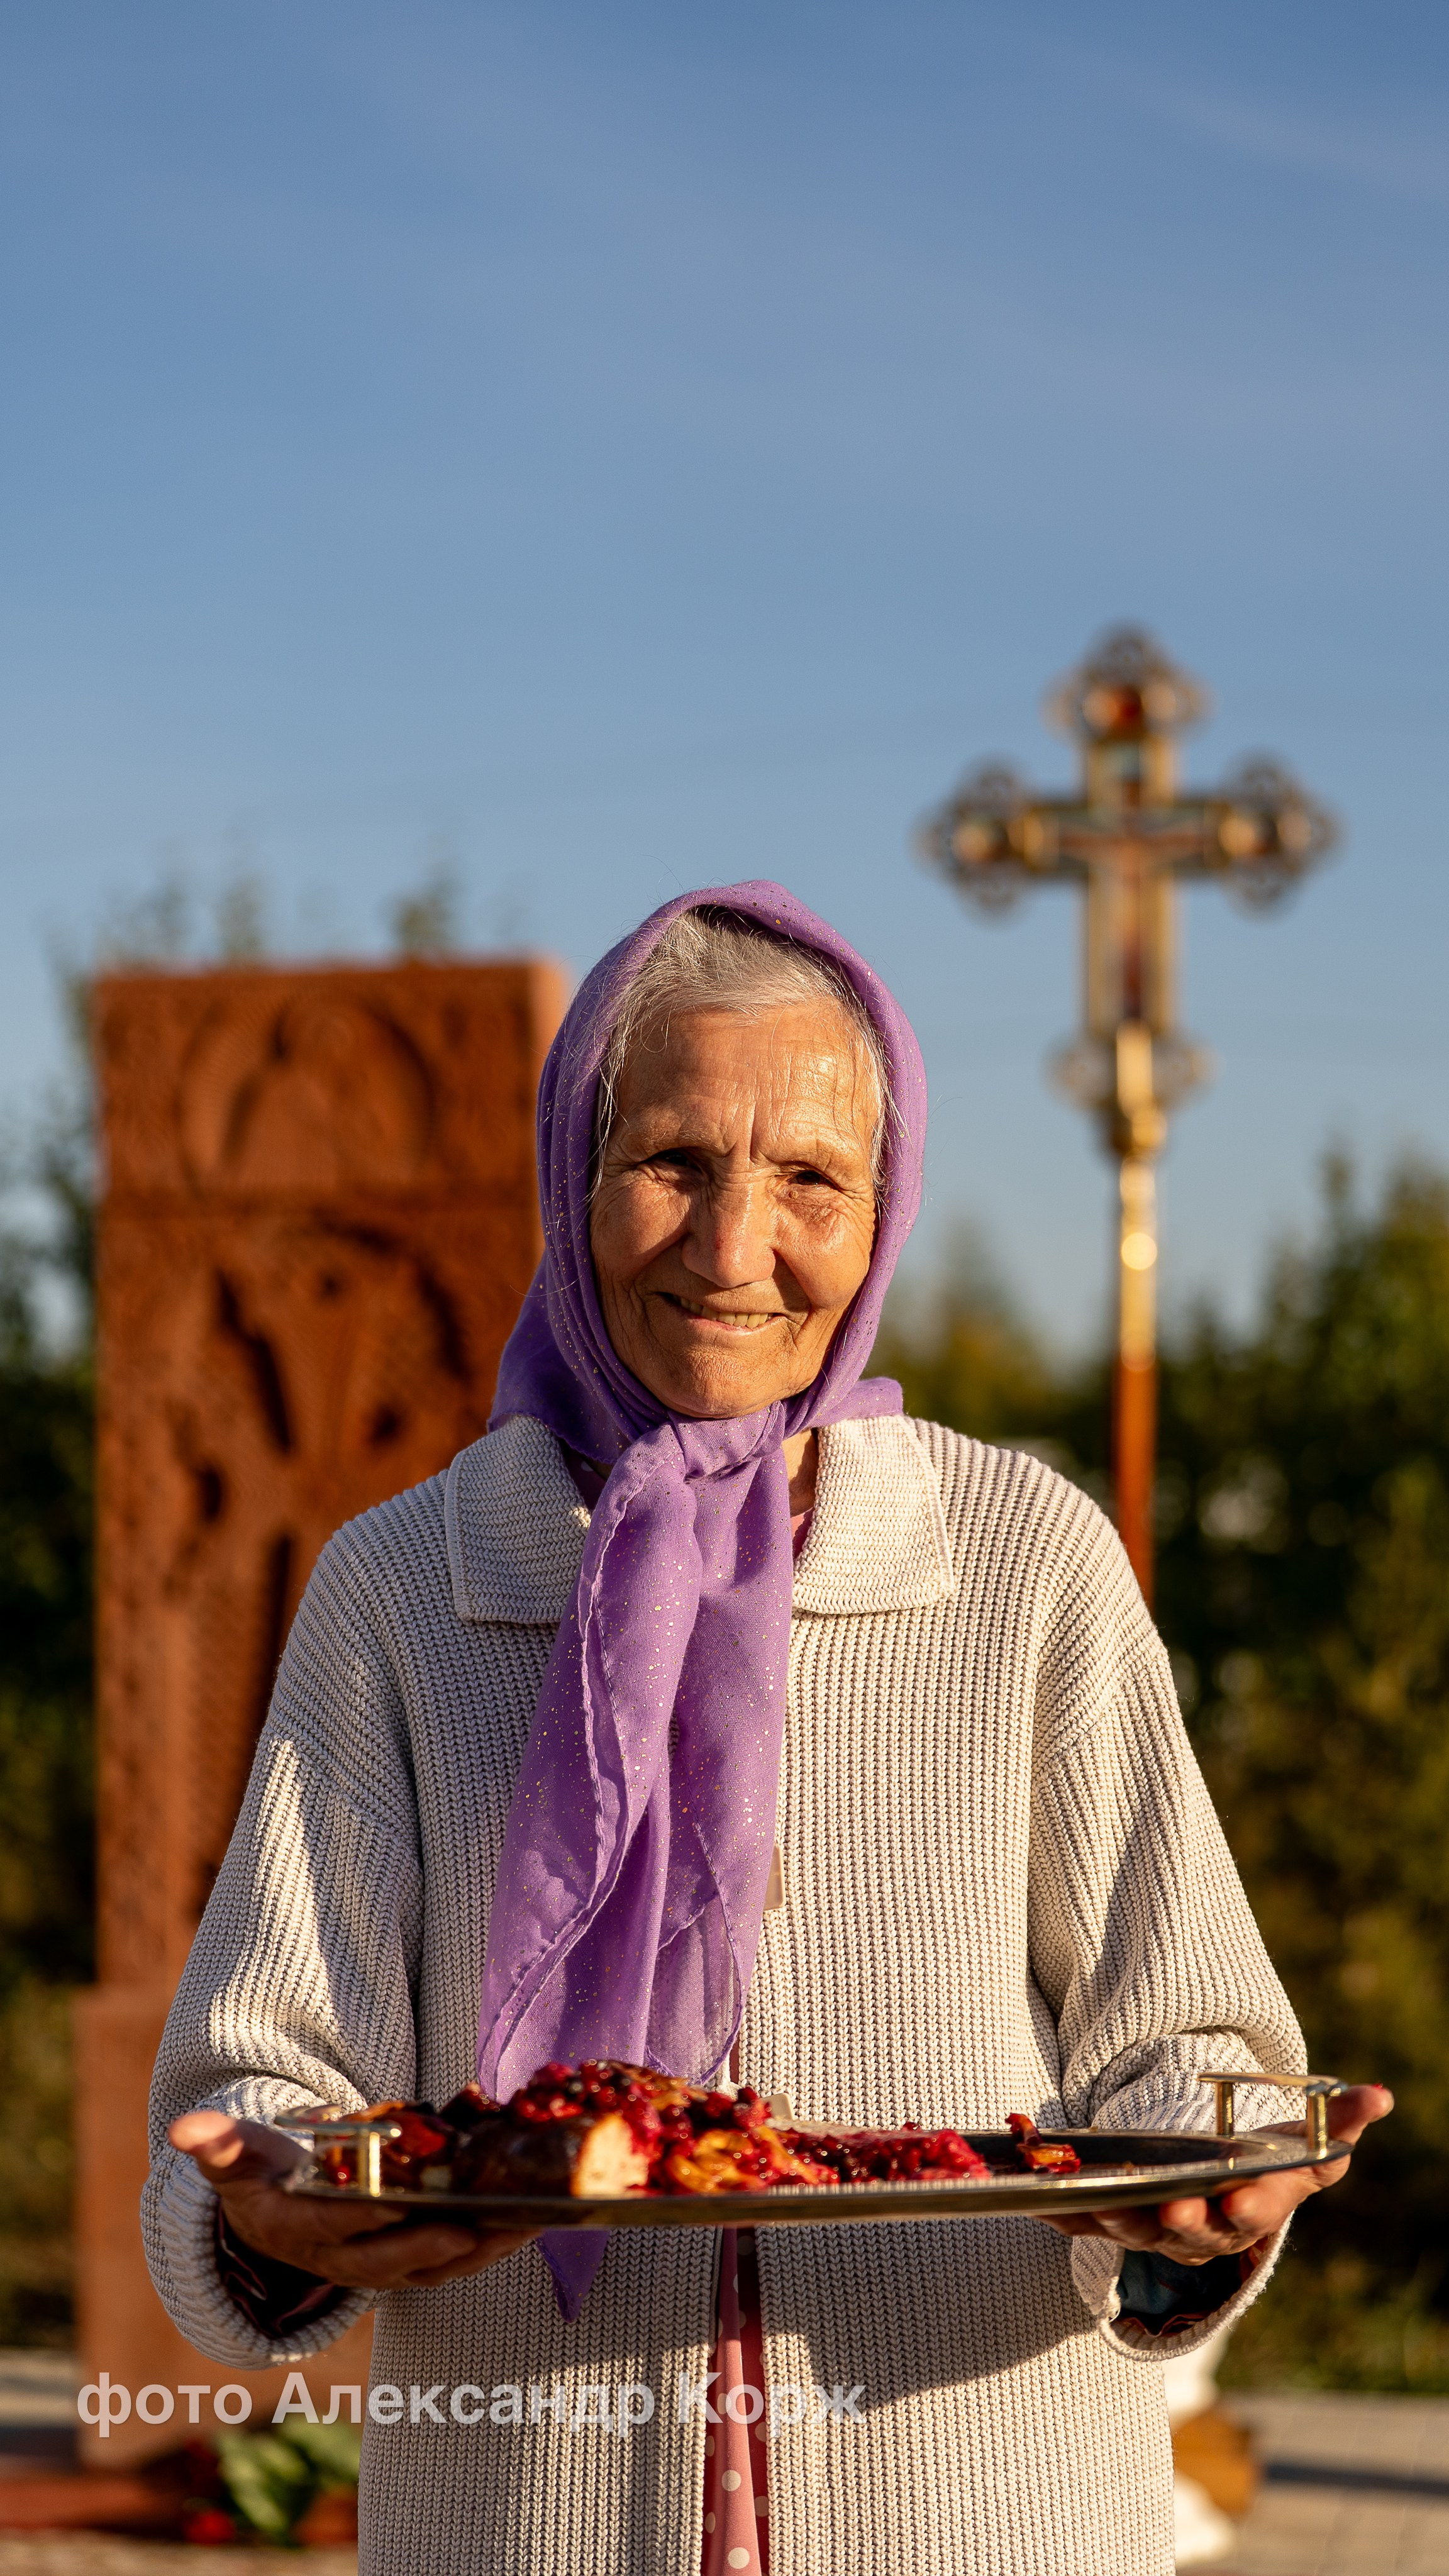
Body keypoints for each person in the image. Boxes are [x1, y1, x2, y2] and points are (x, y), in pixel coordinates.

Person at [145, 884, 1388, 2576]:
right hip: (529, 2516)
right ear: (571, 1185)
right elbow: (266, 2082)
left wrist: (1197, 2195)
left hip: (983, 2510)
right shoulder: (409, 1588)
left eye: (810, 1177)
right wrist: (273, 2217)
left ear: (884, 1216)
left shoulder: (1019, 1561)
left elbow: (1182, 2043)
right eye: (670, 1162)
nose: (735, 1250)